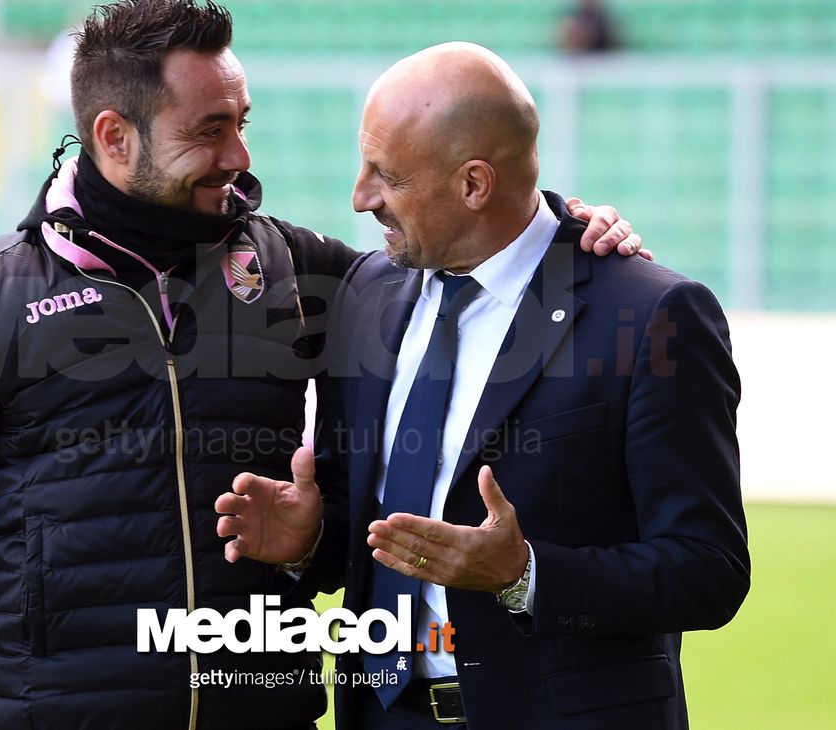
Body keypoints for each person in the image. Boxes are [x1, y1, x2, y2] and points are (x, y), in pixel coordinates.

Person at [0, 1, 643, 728]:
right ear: (115, 136)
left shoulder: (296, 268)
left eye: (241, 120)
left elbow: (469, 236)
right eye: (208, 130)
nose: (238, 154)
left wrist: (567, 225)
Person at [217, 42, 749, 729]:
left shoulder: (648, 315)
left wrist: (524, 574)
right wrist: (312, 539)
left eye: (385, 175)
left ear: (473, 184)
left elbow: (706, 570)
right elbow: (376, 523)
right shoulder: (366, 293)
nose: (359, 197)